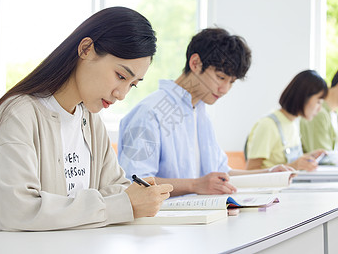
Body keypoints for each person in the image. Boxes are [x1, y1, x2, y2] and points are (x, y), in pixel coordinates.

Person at [0, 7, 173, 235]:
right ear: (86, 49)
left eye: (132, 84)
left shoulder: (91, 121)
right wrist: (120, 204)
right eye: (121, 76)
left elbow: (118, 188)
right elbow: (17, 211)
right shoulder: (20, 113)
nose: (122, 94)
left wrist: (128, 200)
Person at [118, 28, 293, 198]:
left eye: (231, 82)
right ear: (195, 63)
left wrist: (268, 174)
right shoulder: (149, 113)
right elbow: (135, 182)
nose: (225, 89)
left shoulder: (201, 114)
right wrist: (194, 185)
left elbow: (221, 174)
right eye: (221, 77)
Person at [245, 70, 328, 171]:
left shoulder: (292, 123)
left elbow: (284, 161)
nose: (319, 109)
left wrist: (309, 157)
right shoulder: (268, 125)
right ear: (303, 97)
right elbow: (250, 170)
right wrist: (293, 166)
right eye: (318, 102)